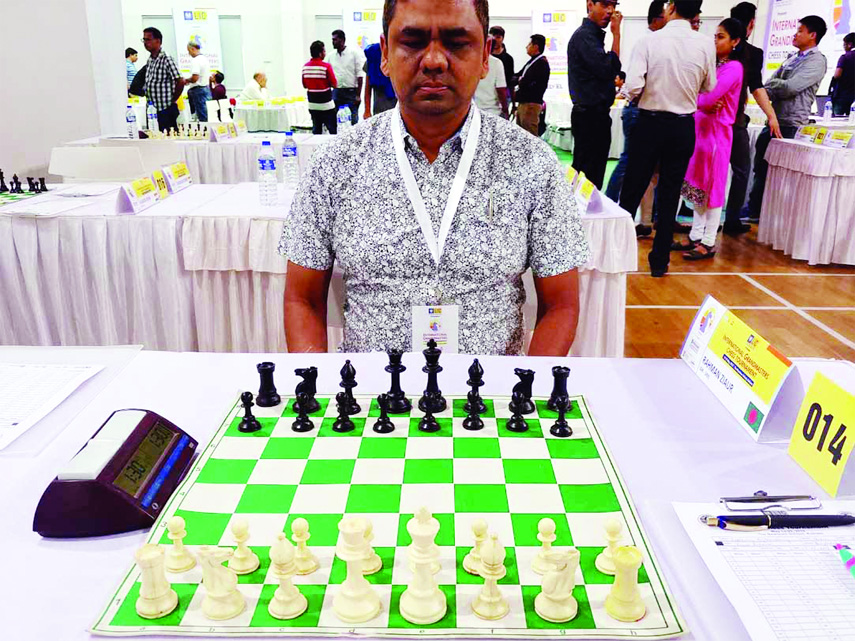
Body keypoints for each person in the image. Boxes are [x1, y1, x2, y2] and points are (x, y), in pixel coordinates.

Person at [279, 0, 590, 356]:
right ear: (385, 53)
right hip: (371, 401)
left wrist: (521, 395)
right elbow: (301, 299)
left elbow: (562, 305)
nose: (434, 61)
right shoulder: (335, 163)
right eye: (412, 41)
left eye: (457, 43)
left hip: (489, 402)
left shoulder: (532, 163)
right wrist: (316, 396)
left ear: (486, 55)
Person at [620, 0, 717, 277]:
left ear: (670, 7)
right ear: (697, 12)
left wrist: (630, 93)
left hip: (649, 122)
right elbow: (709, 85)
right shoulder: (704, 44)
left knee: (633, 189)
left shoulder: (649, 41)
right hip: (683, 125)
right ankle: (660, 261)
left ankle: (617, 255)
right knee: (670, 192)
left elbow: (635, 84)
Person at [673, 18, 746, 261]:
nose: (715, 40)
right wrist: (699, 98)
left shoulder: (734, 68)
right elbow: (697, 94)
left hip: (716, 136)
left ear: (735, 41)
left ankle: (709, 241)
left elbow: (706, 96)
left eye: (721, 36)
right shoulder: (713, 65)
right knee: (697, 186)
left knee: (712, 187)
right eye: (715, 35)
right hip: (700, 131)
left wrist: (698, 98)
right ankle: (695, 235)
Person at [745, 16, 827, 221]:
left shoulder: (817, 61)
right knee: (761, 168)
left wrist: (774, 86)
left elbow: (791, 87)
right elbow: (769, 84)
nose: (795, 34)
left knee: (779, 176)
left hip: (792, 125)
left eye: (800, 30)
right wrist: (774, 86)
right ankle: (754, 210)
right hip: (774, 120)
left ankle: (768, 215)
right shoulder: (792, 57)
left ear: (812, 35)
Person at [605, 0, 666, 236]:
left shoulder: (659, 44)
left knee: (652, 171)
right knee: (631, 164)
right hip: (641, 111)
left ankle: (649, 219)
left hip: (647, 112)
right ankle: (613, 207)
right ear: (657, 19)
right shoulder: (648, 44)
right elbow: (633, 84)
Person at [722, 2, 782, 236]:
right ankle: (731, 219)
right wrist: (771, 116)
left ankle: (699, 225)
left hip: (709, 119)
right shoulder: (753, 54)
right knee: (741, 170)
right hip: (734, 121)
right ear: (751, 24)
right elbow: (756, 87)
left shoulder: (717, 49)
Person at [567, 0, 623, 190]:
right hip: (590, 116)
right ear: (590, 4)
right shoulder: (585, 37)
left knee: (589, 173)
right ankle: (581, 218)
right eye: (605, 5)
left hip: (593, 115)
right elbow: (609, 69)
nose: (610, 11)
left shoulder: (592, 37)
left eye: (614, 5)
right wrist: (617, 35)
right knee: (589, 177)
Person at [142, 27, 185, 132]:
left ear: (158, 41)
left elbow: (180, 81)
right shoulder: (150, 60)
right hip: (152, 110)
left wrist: (173, 99)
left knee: (168, 141)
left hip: (165, 109)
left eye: (148, 39)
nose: (145, 43)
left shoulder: (166, 58)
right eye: (144, 40)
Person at [514, 35, 550, 136]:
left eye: (529, 44)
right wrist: (519, 79)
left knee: (529, 134)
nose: (526, 47)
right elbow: (517, 77)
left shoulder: (541, 63)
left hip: (531, 104)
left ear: (536, 47)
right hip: (524, 103)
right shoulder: (531, 62)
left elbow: (526, 81)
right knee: (521, 134)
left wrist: (521, 80)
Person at [327, 30, 365, 125]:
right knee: (337, 120)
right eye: (332, 40)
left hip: (351, 92)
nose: (333, 42)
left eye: (335, 40)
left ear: (342, 40)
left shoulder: (354, 54)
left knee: (353, 120)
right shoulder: (330, 56)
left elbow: (360, 75)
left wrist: (358, 95)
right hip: (336, 92)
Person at [303, 40, 338, 135]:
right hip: (326, 105)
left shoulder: (305, 67)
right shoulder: (326, 66)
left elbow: (305, 85)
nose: (325, 53)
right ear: (320, 53)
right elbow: (334, 84)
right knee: (332, 131)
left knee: (316, 130)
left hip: (312, 105)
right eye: (324, 51)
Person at [363, 41, 397, 118]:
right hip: (379, 109)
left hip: (399, 109)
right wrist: (367, 110)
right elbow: (368, 87)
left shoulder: (401, 54)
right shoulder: (373, 54)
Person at [474, 48, 509, 117]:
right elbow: (501, 89)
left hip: (473, 111)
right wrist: (505, 109)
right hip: (493, 111)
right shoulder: (496, 63)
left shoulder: (469, 62)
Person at [185, 41, 211, 122]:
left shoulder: (195, 60)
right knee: (207, 114)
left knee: (202, 115)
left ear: (192, 49)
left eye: (189, 51)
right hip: (206, 88)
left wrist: (186, 80)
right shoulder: (205, 59)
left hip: (198, 90)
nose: (189, 54)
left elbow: (195, 78)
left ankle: (205, 132)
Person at [830, 32, 854, 115]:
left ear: (850, 44)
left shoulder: (845, 57)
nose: (843, 47)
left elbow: (837, 75)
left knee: (837, 120)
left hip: (842, 95)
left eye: (844, 44)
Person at [489, 26, 515, 93]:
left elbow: (510, 81)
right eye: (492, 37)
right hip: (486, 94)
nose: (495, 40)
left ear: (502, 38)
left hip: (504, 93)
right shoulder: (484, 57)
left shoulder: (508, 59)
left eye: (498, 37)